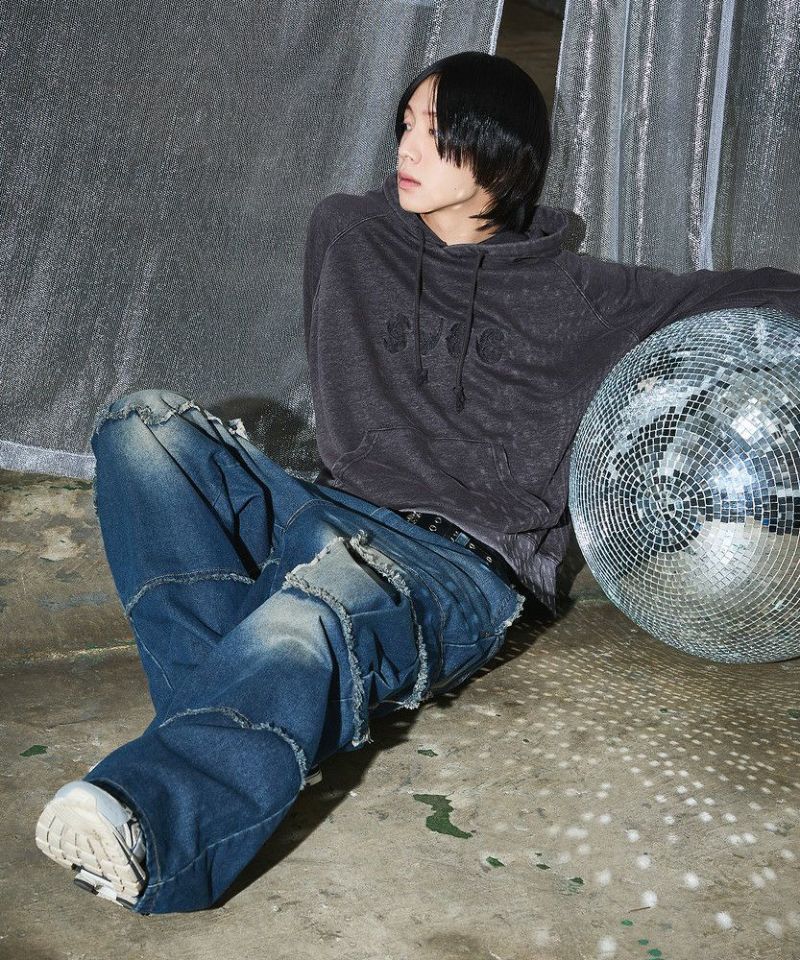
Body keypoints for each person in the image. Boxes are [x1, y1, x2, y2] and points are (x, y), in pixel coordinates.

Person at [35, 51, 800, 916]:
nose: (406, 147)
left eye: (436, 133)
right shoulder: (350, 234)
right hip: (328, 509)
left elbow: (757, 293)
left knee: (317, 607)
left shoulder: (588, 297)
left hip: (461, 567)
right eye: (405, 124)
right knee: (142, 427)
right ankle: (237, 714)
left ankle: (157, 829)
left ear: (502, 157)